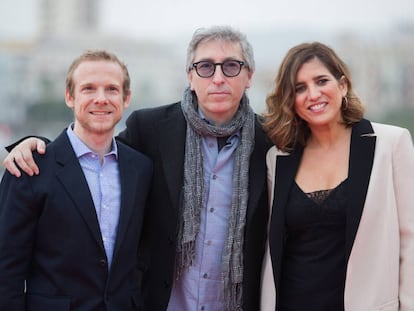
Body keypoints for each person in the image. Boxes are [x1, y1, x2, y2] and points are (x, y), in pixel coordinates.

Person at [3, 26, 271, 311]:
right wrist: (34, 145)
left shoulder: (271, 141)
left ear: (249, 75)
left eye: (231, 66)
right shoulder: (151, 130)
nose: (218, 78)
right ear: (190, 76)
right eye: (205, 67)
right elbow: (88, 150)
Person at [260, 41, 414, 311]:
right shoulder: (278, 158)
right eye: (300, 88)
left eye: (321, 81)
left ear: (342, 85)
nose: (313, 94)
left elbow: (410, 240)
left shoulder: (392, 143)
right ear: (290, 100)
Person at [0, 50, 153, 310]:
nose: (101, 99)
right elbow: (6, 270)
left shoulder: (141, 168)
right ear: (70, 97)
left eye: (112, 89)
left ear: (126, 98)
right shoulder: (30, 168)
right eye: (89, 88)